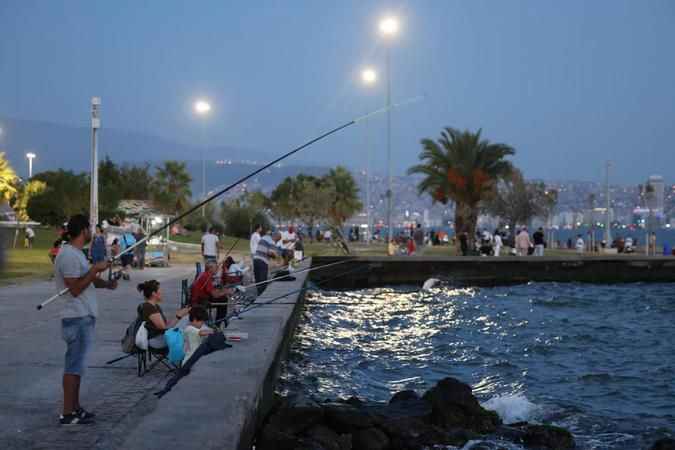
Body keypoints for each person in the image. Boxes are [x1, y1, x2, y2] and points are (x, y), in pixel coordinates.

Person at [54, 214, 118, 425]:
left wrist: (106, 283)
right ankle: (67, 413)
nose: (91, 233)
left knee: (78, 365)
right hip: (76, 317)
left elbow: (87, 281)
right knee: (73, 366)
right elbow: (75, 289)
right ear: (83, 231)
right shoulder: (68, 255)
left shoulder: (77, 254)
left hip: (84, 316)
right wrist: (94, 269)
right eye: (89, 229)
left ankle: (75, 407)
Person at [138, 280, 190, 349]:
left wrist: (180, 315)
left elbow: (165, 324)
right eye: (160, 290)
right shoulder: (149, 307)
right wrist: (178, 316)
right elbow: (164, 328)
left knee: (187, 320)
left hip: (160, 336)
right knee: (190, 333)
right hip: (156, 340)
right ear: (154, 293)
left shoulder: (154, 306)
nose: (162, 292)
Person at [253, 231, 281, 295]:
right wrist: (276, 256)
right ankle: (261, 297)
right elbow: (270, 253)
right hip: (263, 262)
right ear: (276, 236)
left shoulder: (264, 237)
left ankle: (258, 296)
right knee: (263, 282)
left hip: (255, 260)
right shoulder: (272, 241)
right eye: (278, 240)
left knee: (258, 281)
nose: (277, 242)